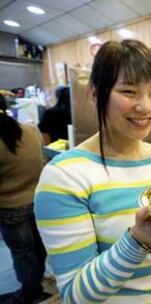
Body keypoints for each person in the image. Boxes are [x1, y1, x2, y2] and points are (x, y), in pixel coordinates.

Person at [34, 40, 151, 303]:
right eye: (129, 91)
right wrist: (138, 240)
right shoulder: (64, 177)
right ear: (96, 94)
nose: (145, 107)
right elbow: (77, 295)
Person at [0, 94, 49, 303]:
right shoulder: (31, 130)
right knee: (38, 247)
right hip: (38, 201)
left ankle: (31, 293)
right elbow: (42, 159)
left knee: (23, 253)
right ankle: (37, 284)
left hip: (10, 207)